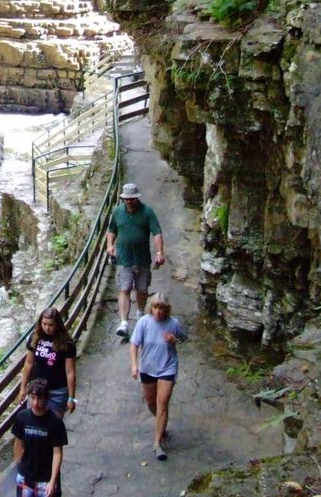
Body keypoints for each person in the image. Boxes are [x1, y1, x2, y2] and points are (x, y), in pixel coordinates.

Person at [130, 292, 187, 461]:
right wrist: (134, 365)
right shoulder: (144, 322)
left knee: (162, 403)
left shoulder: (173, 323)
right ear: (151, 308)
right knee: (151, 403)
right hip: (148, 368)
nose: (158, 311)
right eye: (155, 307)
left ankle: (157, 444)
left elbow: (184, 337)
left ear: (167, 309)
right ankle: (161, 423)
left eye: (162, 308)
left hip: (167, 367)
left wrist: (174, 339)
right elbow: (134, 344)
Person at [105, 182, 164, 337]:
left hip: (142, 258)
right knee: (124, 289)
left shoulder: (147, 212)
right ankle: (124, 323)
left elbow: (157, 233)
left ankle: (140, 314)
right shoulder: (117, 212)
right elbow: (111, 230)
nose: (129, 201)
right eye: (126, 199)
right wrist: (110, 245)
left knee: (142, 288)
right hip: (124, 259)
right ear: (123, 199)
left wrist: (159, 252)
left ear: (137, 198)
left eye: (132, 199)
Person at [11, 378, 68, 497]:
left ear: (46, 398)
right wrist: (18, 468)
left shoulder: (55, 422)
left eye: (39, 398)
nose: (36, 402)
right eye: (32, 398)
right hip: (26, 475)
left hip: (46, 478)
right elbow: (18, 443)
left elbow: (57, 453)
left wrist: (52, 481)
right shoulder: (22, 418)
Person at [17, 307, 77, 417]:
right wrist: (23, 387)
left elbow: (70, 372)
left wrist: (71, 398)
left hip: (57, 391)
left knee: (54, 423)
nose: (47, 328)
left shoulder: (67, 343)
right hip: (36, 389)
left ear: (57, 324)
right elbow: (28, 363)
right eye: (44, 324)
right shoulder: (35, 338)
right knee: (33, 420)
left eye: (50, 325)